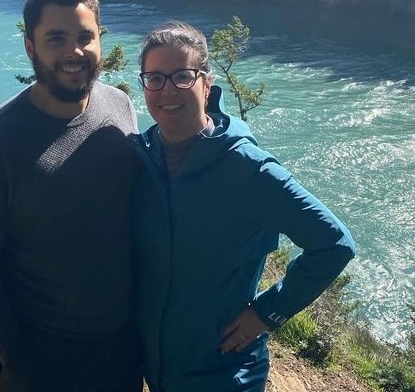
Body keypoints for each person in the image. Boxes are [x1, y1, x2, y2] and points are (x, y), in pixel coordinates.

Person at [132, 21, 356, 392]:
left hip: (223, 373)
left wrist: (267, 312)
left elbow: (334, 244)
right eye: (154, 78)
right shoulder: (141, 158)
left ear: (206, 83)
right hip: (157, 370)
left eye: (182, 76)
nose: (167, 90)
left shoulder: (249, 169)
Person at [0, 0, 142, 392]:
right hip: (43, 363)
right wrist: (17, 357)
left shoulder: (120, 106)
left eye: (84, 37)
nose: (74, 52)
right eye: (56, 39)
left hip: (122, 351)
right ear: (30, 48)